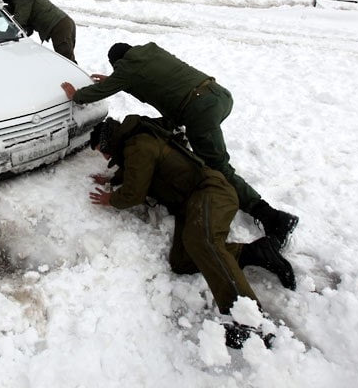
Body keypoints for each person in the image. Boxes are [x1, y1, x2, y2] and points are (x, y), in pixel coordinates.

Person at [62, 42, 298, 249]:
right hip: (217, 95)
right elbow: (150, 79)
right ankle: (196, 176)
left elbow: (106, 88)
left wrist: (77, 95)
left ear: (118, 64)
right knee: (190, 148)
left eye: (118, 70)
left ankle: (272, 217)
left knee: (219, 167)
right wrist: (117, 81)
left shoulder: (128, 68)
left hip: (199, 110)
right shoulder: (150, 52)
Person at [87, 115, 296, 348]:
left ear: (109, 142)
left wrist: (110, 199)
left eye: (102, 150)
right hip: (191, 204)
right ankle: (257, 253)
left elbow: (133, 193)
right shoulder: (134, 145)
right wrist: (115, 178)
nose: (105, 157)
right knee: (183, 261)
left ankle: (251, 320)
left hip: (209, 191)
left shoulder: (139, 144)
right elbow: (138, 170)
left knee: (204, 242)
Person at [1, 0, 77, 62]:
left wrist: (7, 33)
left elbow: (19, 20)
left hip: (59, 27)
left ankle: (75, 74)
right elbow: (17, 9)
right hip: (65, 22)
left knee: (66, 60)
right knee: (68, 59)